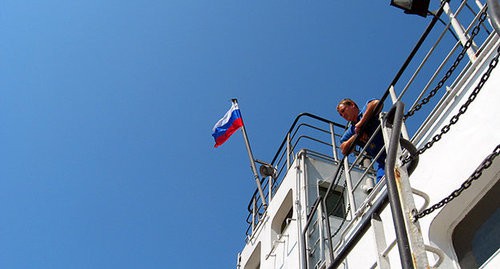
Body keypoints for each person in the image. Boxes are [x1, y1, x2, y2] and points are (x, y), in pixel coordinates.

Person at [337, 98, 386, 183]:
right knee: (381, 189)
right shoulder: (351, 131)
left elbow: (376, 103)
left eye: (343, 110)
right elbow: (344, 149)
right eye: (341, 115)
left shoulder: (365, 110)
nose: (343, 115)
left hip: (396, 146)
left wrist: (361, 123)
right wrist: (356, 136)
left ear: (352, 105)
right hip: (383, 162)